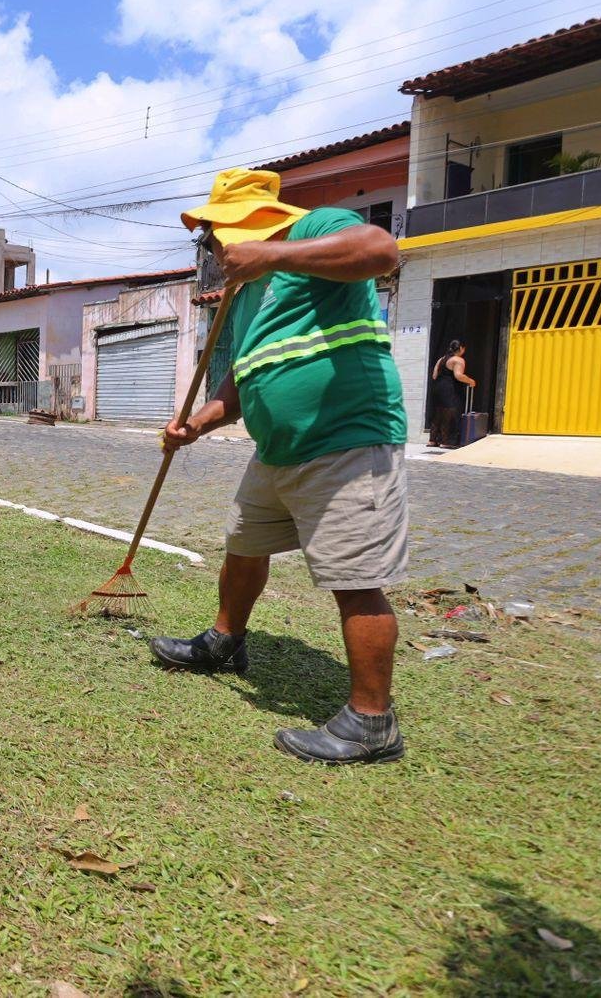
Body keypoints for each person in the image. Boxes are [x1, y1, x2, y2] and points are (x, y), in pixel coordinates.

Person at [150, 168, 409, 765]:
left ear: (243, 223)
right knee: (243, 548)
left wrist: (271, 256)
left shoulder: (320, 229)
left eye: (213, 234)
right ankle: (225, 641)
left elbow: (380, 251)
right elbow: (242, 383)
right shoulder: (242, 299)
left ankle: (372, 722)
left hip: (346, 439)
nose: (211, 249)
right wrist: (195, 424)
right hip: (277, 451)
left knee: (355, 576)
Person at [427, 339, 476, 448]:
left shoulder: (441, 359)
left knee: (438, 413)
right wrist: (471, 381)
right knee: (450, 413)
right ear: (461, 348)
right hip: (449, 389)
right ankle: (446, 441)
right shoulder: (458, 360)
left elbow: (434, 375)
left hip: (437, 388)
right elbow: (458, 375)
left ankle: (433, 440)